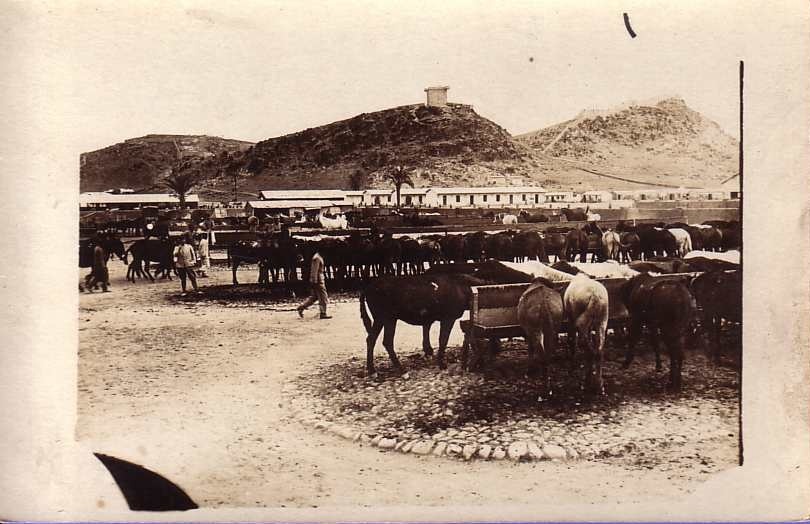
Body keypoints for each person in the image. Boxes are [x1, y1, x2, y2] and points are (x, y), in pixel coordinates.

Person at [296, 250, 331, 319]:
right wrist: (314, 281)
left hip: (318, 279)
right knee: (323, 296)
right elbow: (314, 271)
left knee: (314, 297)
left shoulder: (318, 257)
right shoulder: (317, 258)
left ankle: (301, 307)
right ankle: (323, 313)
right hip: (318, 280)